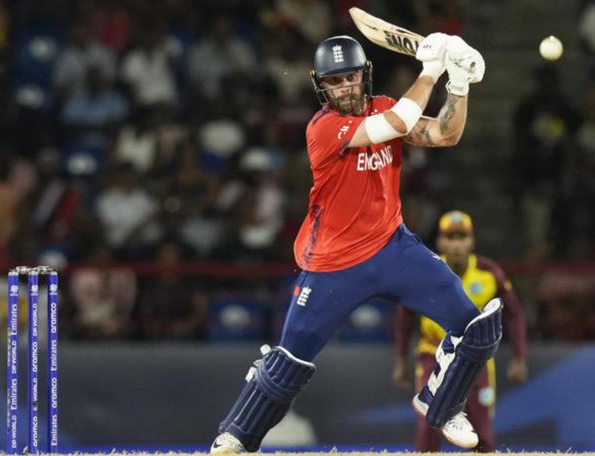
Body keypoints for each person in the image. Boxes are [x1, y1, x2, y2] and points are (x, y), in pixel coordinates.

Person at [210, 34, 496, 454]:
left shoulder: (384, 104)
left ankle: (444, 403)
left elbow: (443, 134)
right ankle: (237, 433)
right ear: (321, 87)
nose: (343, 88)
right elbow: (397, 124)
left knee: (477, 327)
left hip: (392, 246)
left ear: (364, 77)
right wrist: (432, 69)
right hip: (333, 261)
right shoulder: (323, 128)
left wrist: (459, 83)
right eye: (334, 81)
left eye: (349, 78)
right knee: (289, 363)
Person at [392, 210, 529, 452]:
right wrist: (400, 359)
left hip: (477, 361)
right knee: (428, 428)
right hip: (432, 355)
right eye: (450, 237)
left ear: (472, 241)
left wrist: (520, 357)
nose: (456, 244)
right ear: (440, 241)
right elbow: (404, 315)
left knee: (482, 434)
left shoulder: (489, 273)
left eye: (462, 237)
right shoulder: (428, 271)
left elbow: (514, 314)